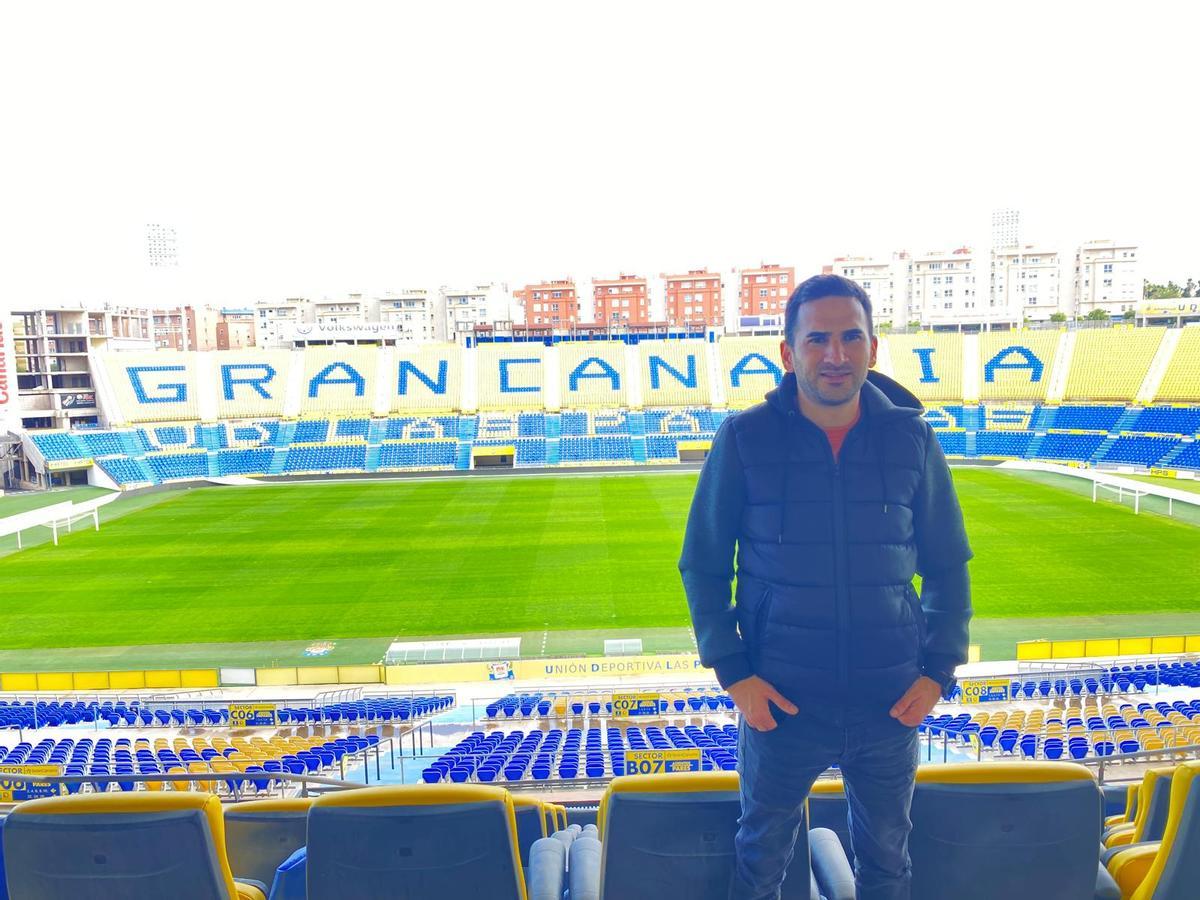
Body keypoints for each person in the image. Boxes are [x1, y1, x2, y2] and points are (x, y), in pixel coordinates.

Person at [678, 274, 973, 900]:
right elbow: (703, 564)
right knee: (760, 857)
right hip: (781, 705)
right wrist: (734, 674)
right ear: (789, 352)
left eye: (850, 338)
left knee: (888, 861)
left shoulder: (913, 439)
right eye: (817, 340)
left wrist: (937, 672)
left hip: (891, 702)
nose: (835, 355)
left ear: (872, 347)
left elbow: (949, 564)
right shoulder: (744, 438)